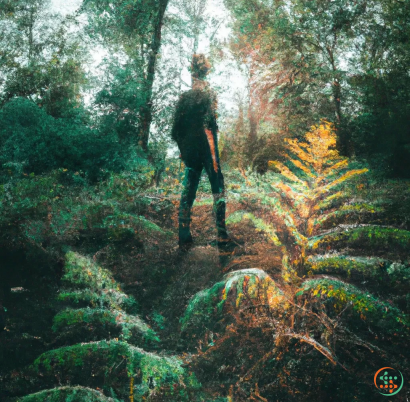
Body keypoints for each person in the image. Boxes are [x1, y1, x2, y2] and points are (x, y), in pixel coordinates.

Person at [171, 54, 231, 250]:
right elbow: (210, 125)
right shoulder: (210, 95)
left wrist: (183, 152)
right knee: (217, 186)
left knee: (189, 187)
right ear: (205, 74)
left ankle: (184, 236)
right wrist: (214, 157)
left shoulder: (183, 98)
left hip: (190, 149)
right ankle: (222, 235)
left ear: (193, 75)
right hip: (207, 148)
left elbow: (176, 131)